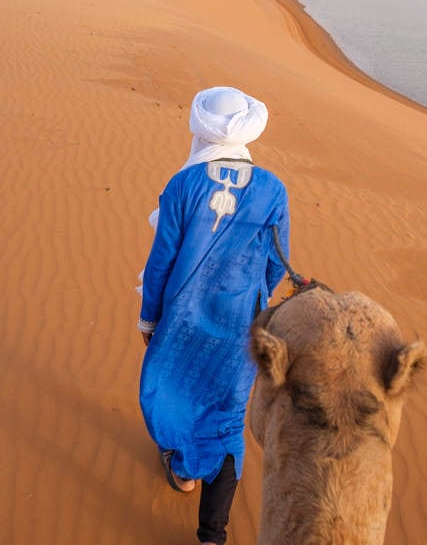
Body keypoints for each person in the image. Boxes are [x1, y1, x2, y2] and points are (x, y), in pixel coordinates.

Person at [137, 86, 291, 545]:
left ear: (200, 130)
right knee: (226, 418)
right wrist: (255, 299)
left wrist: (149, 318)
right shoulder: (272, 188)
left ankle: (183, 471)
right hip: (238, 324)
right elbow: (278, 260)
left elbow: (161, 261)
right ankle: (212, 535)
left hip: (180, 319)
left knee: (169, 395)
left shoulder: (183, 185)